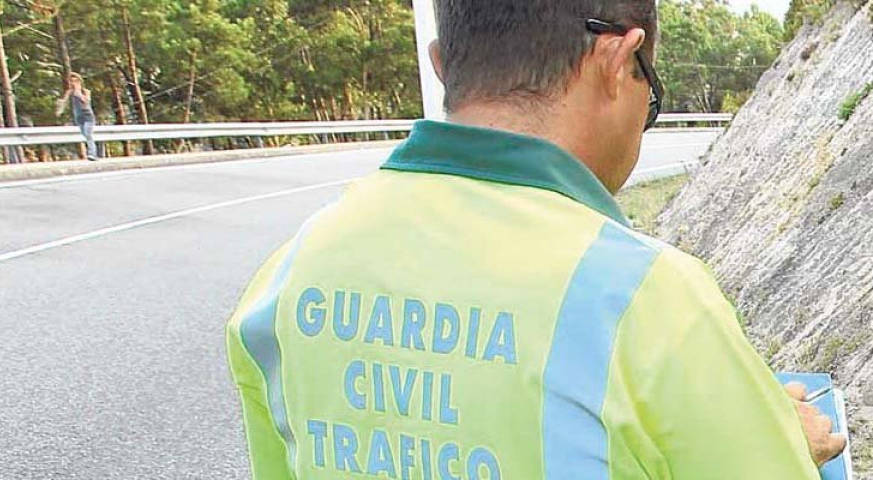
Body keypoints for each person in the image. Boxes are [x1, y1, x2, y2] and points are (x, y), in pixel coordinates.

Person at [226, 1, 847, 478]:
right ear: (616, 61)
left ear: (443, 66)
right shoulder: (648, 300)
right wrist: (788, 444)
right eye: (649, 94)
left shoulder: (285, 276)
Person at [56, 73, 98, 161]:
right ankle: (92, 152)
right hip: (78, 116)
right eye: (71, 81)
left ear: (80, 82)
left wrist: (78, 93)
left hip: (87, 115)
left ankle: (92, 154)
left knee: (88, 134)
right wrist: (60, 109)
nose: (73, 83)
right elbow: (64, 102)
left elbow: (86, 101)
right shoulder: (69, 92)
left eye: (76, 81)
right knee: (84, 135)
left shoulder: (86, 91)